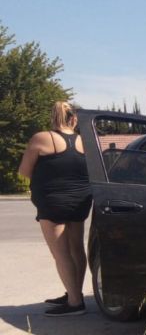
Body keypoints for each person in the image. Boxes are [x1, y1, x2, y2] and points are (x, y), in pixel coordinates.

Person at [18, 102, 93, 316]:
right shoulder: (84, 141)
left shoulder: (42, 138)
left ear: (53, 117)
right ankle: (73, 293)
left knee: (61, 253)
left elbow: (24, 171)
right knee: (77, 249)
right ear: (74, 119)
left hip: (53, 201)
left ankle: (75, 302)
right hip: (81, 200)